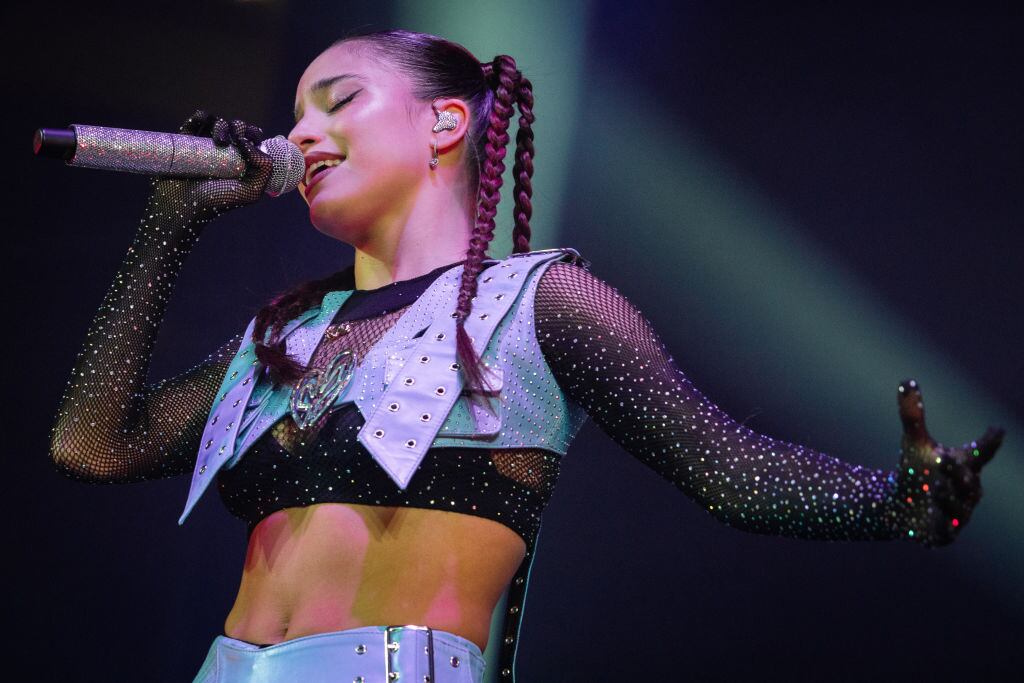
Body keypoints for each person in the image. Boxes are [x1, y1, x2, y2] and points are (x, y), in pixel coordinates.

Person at [48, 28, 1004, 683]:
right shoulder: (284, 335)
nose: (298, 134)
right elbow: (90, 445)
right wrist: (167, 226)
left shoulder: (542, 306)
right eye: (295, 114)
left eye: (337, 102)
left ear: (444, 123)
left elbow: (729, 470)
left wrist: (894, 501)